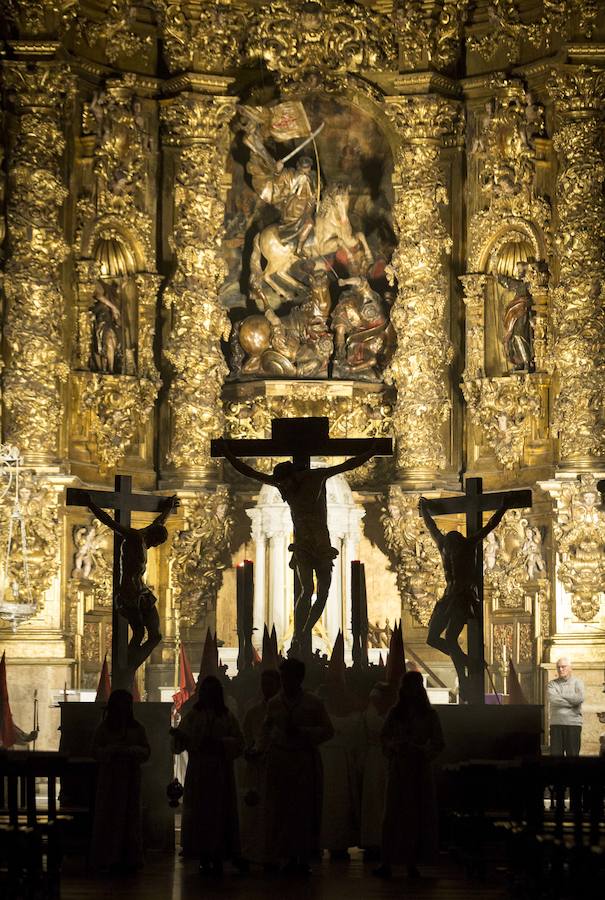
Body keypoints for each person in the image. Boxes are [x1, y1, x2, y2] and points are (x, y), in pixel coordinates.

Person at [218, 441, 378, 652]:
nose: (284, 492)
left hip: (321, 546)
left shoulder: (316, 478)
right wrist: (228, 455)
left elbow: (348, 465)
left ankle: (304, 631)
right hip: (303, 546)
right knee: (307, 590)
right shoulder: (284, 483)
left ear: (291, 476)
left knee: (323, 594)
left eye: (284, 485)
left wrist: (372, 452)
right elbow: (250, 472)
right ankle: (300, 634)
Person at [419, 496, 507, 700]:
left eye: (451, 548)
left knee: (450, 638)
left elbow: (490, 526)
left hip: (462, 598)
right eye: (447, 548)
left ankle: (465, 678)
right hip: (447, 597)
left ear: (456, 543)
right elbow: (430, 526)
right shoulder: (444, 544)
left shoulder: (466, 545)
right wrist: (423, 509)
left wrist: (503, 507)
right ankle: (467, 663)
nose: (449, 552)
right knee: (432, 638)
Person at [85, 493, 179, 674]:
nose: (154, 547)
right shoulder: (135, 537)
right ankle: (125, 669)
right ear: (152, 537)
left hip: (142, 592)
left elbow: (161, 521)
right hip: (129, 593)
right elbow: (110, 522)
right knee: (138, 633)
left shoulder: (150, 534)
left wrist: (169, 506)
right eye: (155, 543)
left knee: (156, 636)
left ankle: (131, 666)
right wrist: (92, 505)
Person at [259, 658, 334, 874]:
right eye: (283, 678)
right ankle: (283, 855)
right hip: (280, 761)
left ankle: (302, 856)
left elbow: (327, 730)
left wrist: (304, 732)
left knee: (303, 811)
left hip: (303, 761)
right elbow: (266, 730)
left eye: (288, 677)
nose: (285, 682)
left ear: (299, 678)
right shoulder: (274, 704)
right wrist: (260, 748)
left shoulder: (313, 703)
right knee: (280, 810)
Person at [374, 671, 445, 880]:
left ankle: (412, 862)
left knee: (416, 815)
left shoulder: (430, 715)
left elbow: (438, 743)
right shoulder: (395, 714)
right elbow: (384, 737)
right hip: (399, 767)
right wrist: (395, 747)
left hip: (418, 769)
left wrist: (424, 752)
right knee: (393, 815)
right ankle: (387, 861)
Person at [171, 675, 244, 875]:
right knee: (201, 811)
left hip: (220, 769)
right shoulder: (193, 716)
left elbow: (239, 741)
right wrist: (181, 739)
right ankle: (203, 854)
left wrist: (221, 744)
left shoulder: (226, 716)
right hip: (200, 768)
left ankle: (219, 853)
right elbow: (180, 742)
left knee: (220, 812)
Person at [90, 690, 150, 873]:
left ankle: (129, 858)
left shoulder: (137, 728)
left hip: (130, 777)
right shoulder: (104, 728)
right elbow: (94, 750)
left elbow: (147, 751)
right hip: (111, 778)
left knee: (130, 818)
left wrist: (132, 751)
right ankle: (108, 857)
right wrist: (111, 751)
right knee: (110, 817)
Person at [240, 669, 281, 865]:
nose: (266, 688)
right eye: (264, 684)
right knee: (255, 812)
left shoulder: (283, 710)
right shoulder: (253, 711)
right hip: (257, 767)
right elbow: (246, 737)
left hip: (279, 766)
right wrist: (249, 751)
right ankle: (254, 850)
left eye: (270, 684)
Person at [318, 681, 363, 860]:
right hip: (327, 760)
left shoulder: (352, 718)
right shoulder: (353, 718)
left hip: (337, 762)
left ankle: (337, 841)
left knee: (338, 802)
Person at [359, 682, 392, 860]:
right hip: (374, 757)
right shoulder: (371, 714)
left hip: (384, 756)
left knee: (382, 797)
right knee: (373, 798)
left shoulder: (376, 714)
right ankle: (372, 838)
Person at [547, 658, 584, 756]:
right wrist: (572, 703)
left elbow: (579, 699)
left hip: (573, 724)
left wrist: (561, 695)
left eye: (563, 667)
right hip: (556, 724)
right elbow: (554, 700)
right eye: (558, 667)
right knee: (555, 759)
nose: (560, 669)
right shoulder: (552, 684)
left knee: (573, 758)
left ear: (570, 668)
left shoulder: (578, 682)